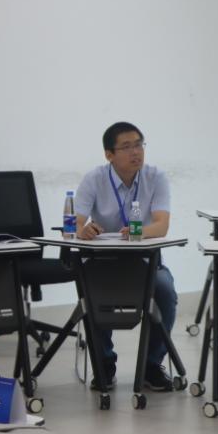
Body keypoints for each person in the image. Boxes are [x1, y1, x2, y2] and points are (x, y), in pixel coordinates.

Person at [73, 122, 178, 393]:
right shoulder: (94, 179)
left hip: (145, 262)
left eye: (139, 144)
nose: (136, 152)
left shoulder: (156, 177)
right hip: (103, 262)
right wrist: (83, 230)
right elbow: (74, 223)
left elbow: (162, 225)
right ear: (109, 154)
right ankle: (104, 365)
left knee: (165, 291)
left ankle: (151, 366)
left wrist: (136, 232)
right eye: (127, 147)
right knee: (94, 294)